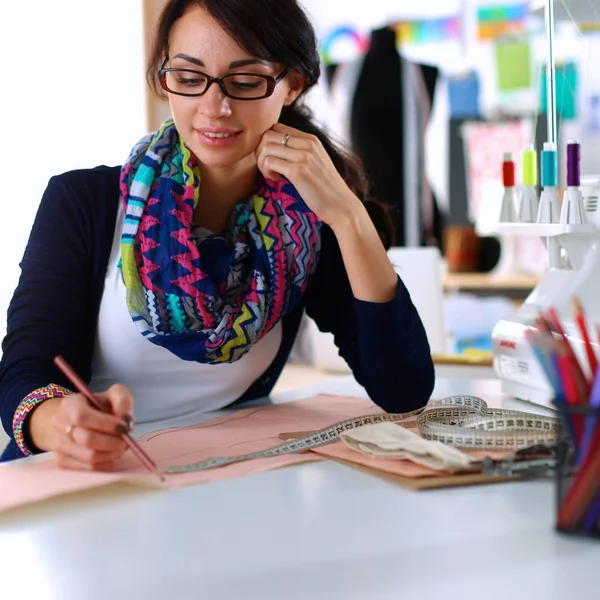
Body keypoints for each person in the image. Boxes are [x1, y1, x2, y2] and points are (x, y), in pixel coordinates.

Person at [0, 0, 434, 469]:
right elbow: (25, 375)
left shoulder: (301, 226)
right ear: (163, 82)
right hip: (83, 485)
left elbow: (402, 391)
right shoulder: (83, 201)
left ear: (291, 85)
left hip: (221, 487)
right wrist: (65, 423)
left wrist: (348, 216)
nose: (214, 107)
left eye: (245, 82)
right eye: (189, 79)